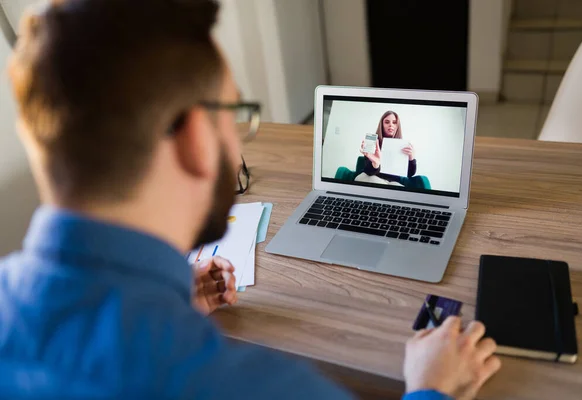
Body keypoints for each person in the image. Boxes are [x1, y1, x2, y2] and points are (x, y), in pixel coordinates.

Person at [0, 0, 500, 398]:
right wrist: (431, 391)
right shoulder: (264, 387)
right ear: (198, 137)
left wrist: (175, 299)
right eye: (235, 115)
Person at [358, 111, 416, 185]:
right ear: (382, 125)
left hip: (392, 182)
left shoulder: (403, 145)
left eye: (394, 122)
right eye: (387, 122)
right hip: (372, 177)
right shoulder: (372, 140)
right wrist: (375, 163)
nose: (391, 125)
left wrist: (412, 159)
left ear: (397, 126)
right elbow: (368, 171)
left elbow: (409, 174)